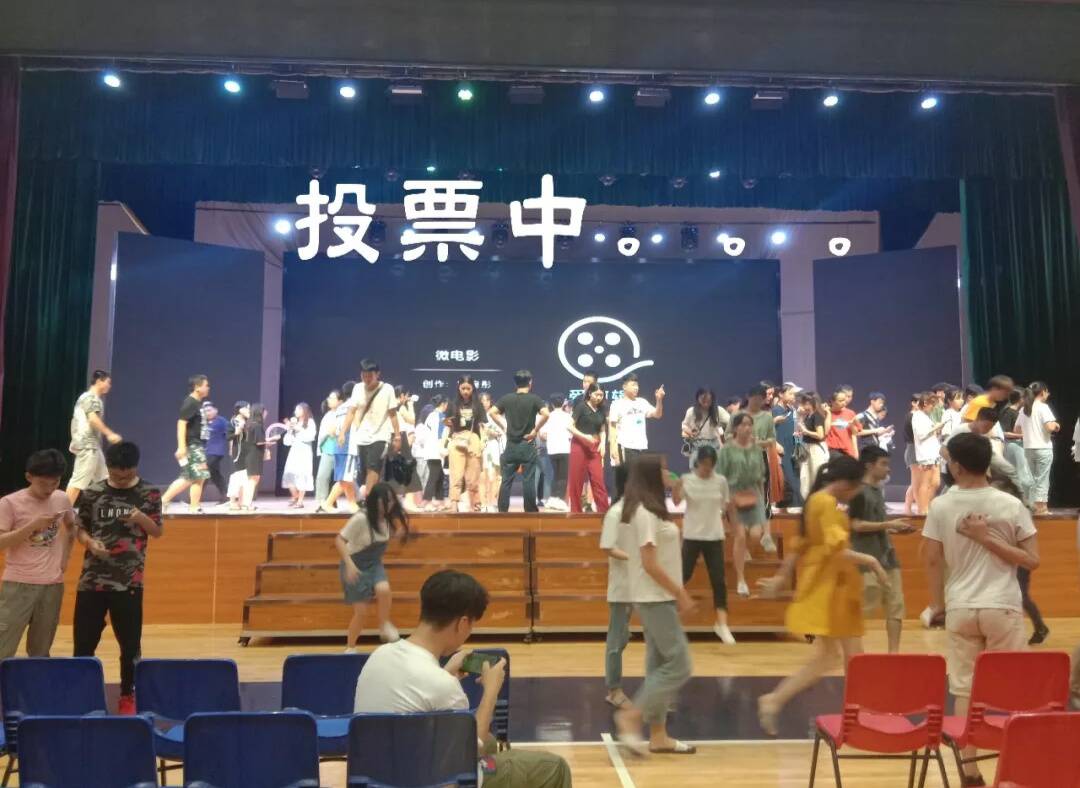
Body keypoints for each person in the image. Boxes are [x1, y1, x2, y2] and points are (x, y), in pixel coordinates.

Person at [353, 569, 573, 788]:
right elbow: (469, 752)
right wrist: (491, 692)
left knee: (491, 743)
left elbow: (415, 700)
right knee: (553, 767)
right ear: (462, 623)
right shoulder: (441, 684)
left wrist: (446, 674)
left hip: (378, 778)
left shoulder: (379, 656)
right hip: (430, 781)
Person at [922, 432, 1039, 787]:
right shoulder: (1010, 505)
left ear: (956, 467)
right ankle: (1014, 768)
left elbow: (930, 558)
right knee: (1014, 689)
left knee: (964, 690)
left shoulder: (941, 506)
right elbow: (1031, 560)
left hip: (960, 606)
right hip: (1002, 606)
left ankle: (969, 771)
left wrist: (937, 604)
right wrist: (990, 539)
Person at [755, 455, 889, 736]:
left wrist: (780, 578)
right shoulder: (827, 504)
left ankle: (779, 701)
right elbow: (837, 550)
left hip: (831, 585)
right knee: (846, 656)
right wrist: (872, 561)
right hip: (833, 587)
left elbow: (800, 546)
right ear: (847, 484)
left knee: (838, 656)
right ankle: (859, 713)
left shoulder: (817, 500)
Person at [612, 454, 696, 756]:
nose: (668, 472)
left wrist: (678, 489)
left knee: (658, 664)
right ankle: (631, 716)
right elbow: (649, 564)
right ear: (650, 474)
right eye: (662, 468)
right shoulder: (645, 513)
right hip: (654, 597)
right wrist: (680, 592)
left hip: (658, 596)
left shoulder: (654, 508)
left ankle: (658, 736)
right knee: (680, 664)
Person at [73, 441, 163, 714]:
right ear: (109, 468)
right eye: (116, 475)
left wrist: (141, 518)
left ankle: (127, 695)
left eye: (127, 475)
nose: (121, 480)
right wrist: (90, 543)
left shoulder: (149, 492)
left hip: (129, 582)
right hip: (92, 580)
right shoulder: (93, 492)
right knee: (84, 643)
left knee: (130, 645)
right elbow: (79, 529)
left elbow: (157, 531)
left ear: (135, 467)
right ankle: (83, 695)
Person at [0, 450, 77, 658]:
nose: (49, 489)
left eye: (55, 482)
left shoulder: (62, 498)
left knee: (41, 652)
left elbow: (71, 527)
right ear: (29, 477)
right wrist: (32, 526)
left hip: (52, 585)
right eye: (43, 483)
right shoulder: (9, 503)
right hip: (18, 585)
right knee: (3, 647)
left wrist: (65, 558)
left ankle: (36, 681)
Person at [849, 446, 915, 653]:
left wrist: (894, 529)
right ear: (869, 465)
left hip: (888, 558)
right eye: (883, 464)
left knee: (895, 606)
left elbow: (874, 524)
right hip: (865, 559)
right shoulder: (858, 492)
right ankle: (855, 655)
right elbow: (856, 525)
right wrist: (888, 525)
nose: (888, 469)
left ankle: (893, 654)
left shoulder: (878, 490)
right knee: (862, 609)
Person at [672, 444, 738, 644]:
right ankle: (670, 617)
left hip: (714, 536)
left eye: (711, 464)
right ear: (698, 462)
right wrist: (676, 486)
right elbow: (676, 502)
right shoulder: (687, 479)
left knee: (718, 580)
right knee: (682, 575)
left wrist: (733, 527)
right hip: (692, 535)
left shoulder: (721, 481)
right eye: (704, 464)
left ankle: (722, 624)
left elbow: (727, 506)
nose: (707, 468)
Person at [336, 482, 408, 649]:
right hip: (354, 564)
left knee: (384, 589)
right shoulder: (361, 518)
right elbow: (339, 540)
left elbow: (381, 537)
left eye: (391, 501)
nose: (390, 505)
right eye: (386, 501)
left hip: (374, 563)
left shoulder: (387, 518)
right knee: (361, 613)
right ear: (375, 500)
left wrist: (398, 535)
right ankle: (350, 647)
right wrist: (350, 566)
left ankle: (384, 624)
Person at [333, 360, 399, 509]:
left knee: (373, 468)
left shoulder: (387, 389)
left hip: (380, 436)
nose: (366, 379)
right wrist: (343, 433)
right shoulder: (357, 388)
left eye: (370, 376)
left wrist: (397, 436)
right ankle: (374, 499)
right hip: (362, 437)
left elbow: (393, 414)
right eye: (364, 376)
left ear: (377, 374)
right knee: (365, 472)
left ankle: (369, 500)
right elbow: (351, 412)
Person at [487, 370, 550, 513]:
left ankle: (503, 511)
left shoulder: (507, 398)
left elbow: (492, 412)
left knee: (506, 480)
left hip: (511, 445)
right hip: (527, 444)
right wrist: (535, 430)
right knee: (528, 480)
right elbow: (546, 414)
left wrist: (504, 426)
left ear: (515, 383)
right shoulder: (534, 399)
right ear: (530, 382)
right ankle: (530, 512)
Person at [719, 412, 767, 598]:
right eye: (743, 424)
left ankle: (745, 551)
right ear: (735, 427)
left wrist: (764, 500)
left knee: (755, 535)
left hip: (754, 495)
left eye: (749, 424)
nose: (747, 428)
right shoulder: (726, 450)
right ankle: (740, 579)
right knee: (739, 536)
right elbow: (720, 477)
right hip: (733, 495)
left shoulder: (757, 450)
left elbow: (761, 477)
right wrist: (724, 502)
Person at [729, 385, 779, 553]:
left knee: (763, 495)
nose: (757, 401)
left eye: (760, 399)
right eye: (754, 398)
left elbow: (772, 440)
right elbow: (728, 436)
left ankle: (767, 535)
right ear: (748, 397)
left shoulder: (767, 417)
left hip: (759, 457)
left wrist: (757, 442)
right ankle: (743, 543)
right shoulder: (737, 415)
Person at [67, 370, 122, 505]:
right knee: (78, 482)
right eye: (108, 382)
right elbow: (93, 419)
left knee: (103, 480)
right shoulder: (91, 398)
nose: (109, 386)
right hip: (88, 445)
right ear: (99, 381)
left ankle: (109, 509)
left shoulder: (89, 398)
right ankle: (60, 514)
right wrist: (109, 433)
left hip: (93, 446)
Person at [608, 373, 665, 501]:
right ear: (624, 386)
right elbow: (612, 427)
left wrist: (659, 400)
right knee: (624, 482)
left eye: (637, 385)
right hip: (625, 446)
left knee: (639, 481)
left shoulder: (642, 402)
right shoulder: (617, 404)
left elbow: (657, 414)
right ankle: (616, 508)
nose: (636, 388)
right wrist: (613, 448)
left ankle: (634, 508)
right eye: (633, 385)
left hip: (641, 447)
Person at [161, 374, 211, 513]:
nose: (208, 388)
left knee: (196, 477)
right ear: (197, 387)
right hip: (192, 445)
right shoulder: (190, 403)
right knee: (192, 477)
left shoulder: (197, 403)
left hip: (197, 445)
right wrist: (181, 446)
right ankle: (164, 501)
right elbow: (181, 424)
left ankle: (193, 506)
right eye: (206, 385)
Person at [599, 496, 632, 709]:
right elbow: (607, 546)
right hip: (622, 588)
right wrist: (635, 558)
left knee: (624, 636)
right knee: (617, 639)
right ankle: (614, 689)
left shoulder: (645, 511)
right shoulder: (615, 514)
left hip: (644, 585)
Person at [1016, 381, 1059, 515]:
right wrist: (1057, 426)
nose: (1048, 394)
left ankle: (1032, 507)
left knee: (1031, 479)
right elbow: (1050, 427)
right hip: (1042, 448)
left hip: (1028, 448)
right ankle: (1041, 508)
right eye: (1047, 392)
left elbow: (1017, 430)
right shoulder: (1043, 407)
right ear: (1043, 392)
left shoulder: (1024, 409)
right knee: (1042, 478)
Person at [568, 383, 610, 514]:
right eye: (597, 394)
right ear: (590, 393)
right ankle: (576, 511)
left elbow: (602, 429)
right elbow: (569, 426)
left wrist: (603, 443)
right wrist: (584, 436)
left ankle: (604, 512)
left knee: (598, 481)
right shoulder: (581, 407)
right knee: (576, 480)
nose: (599, 397)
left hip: (595, 447)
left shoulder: (602, 409)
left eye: (601, 395)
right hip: (579, 445)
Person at [445, 376, 485, 513]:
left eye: (468, 388)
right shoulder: (452, 404)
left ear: (473, 388)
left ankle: (475, 502)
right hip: (457, 439)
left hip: (473, 439)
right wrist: (447, 424)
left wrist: (483, 441)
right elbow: (447, 424)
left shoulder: (478, 404)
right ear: (459, 388)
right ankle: (454, 503)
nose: (466, 391)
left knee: (473, 475)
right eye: (463, 388)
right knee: (456, 474)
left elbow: (482, 425)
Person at [911, 392, 945, 516]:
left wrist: (936, 429)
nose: (933, 408)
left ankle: (927, 506)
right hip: (925, 454)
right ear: (925, 403)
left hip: (933, 453)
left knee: (936, 482)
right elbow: (921, 434)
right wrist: (935, 427)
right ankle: (923, 510)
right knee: (925, 483)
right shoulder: (917, 416)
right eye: (932, 405)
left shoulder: (926, 416)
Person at [771, 383, 802, 509]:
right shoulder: (775, 411)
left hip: (793, 450)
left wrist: (799, 442)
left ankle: (797, 509)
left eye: (794, 394)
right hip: (782, 450)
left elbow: (796, 428)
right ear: (781, 394)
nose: (793, 396)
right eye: (790, 393)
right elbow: (766, 431)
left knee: (797, 482)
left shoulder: (792, 410)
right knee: (788, 484)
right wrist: (775, 445)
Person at [682, 388, 728, 470]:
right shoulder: (691, 411)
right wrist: (689, 432)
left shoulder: (718, 410)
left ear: (712, 400)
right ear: (698, 398)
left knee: (714, 469)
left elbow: (730, 422)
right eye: (703, 400)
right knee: (696, 470)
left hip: (713, 445)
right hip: (697, 445)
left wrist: (724, 435)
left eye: (709, 401)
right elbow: (684, 425)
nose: (706, 403)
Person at [282, 402, 317, 508]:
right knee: (289, 474)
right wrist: (289, 430)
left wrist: (298, 428)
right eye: (295, 410)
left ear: (304, 410)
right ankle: (295, 496)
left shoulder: (310, 422)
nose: (296, 412)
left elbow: (310, 437)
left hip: (304, 451)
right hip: (294, 451)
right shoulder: (294, 423)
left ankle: (300, 501)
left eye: (298, 409)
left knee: (303, 475)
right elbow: (287, 442)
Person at [541, 394, 572, 511]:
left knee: (555, 475)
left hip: (552, 450)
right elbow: (571, 434)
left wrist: (550, 438)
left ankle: (552, 499)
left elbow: (542, 435)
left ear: (551, 404)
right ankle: (560, 500)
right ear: (563, 403)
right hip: (564, 449)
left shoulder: (548, 416)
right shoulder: (568, 416)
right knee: (563, 476)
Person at [240, 403, 273, 511]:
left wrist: (266, 441)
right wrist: (269, 441)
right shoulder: (257, 425)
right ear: (260, 412)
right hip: (255, 455)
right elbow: (259, 442)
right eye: (264, 411)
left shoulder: (249, 424)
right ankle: (247, 504)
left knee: (251, 479)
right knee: (253, 480)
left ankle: (245, 503)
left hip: (250, 454)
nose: (266, 413)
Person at [797, 391, 829, 500]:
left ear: (812, 403)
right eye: (803, 403)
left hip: (816, 448)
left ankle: (820, 501)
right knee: (805, 477)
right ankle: (809, 501)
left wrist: (806, 431)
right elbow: (801, 427)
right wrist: (800, 417)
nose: (804, 406)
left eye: (806, 403)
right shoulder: (808, 415)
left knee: (816, 476)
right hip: (807, 447)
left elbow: (820, 435)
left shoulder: (817, 415)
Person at [314, 390, 342, 512]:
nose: (329, 400)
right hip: (328, 448)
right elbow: (323, 434)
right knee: (322, 477)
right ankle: (322, 502)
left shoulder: (344, 414)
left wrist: (336, 431)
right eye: (329, 398)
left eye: (332, 398)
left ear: (340, 401)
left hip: (341, 449)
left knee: (342, 479)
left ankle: (331, 501)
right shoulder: (328, 415)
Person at [479, 391, 505, 513]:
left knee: (495, 476)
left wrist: (495, 432)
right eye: (482, 400)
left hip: (494, 446)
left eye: (487, 400)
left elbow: (502, 429)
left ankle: (492, 502)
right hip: (481, 448)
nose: (485, 403)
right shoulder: (477, 415)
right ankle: (483, 503)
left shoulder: (495, 414)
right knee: (483, 477)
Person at [201, 401, 230, 504]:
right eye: (205, 411)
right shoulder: (204, 422)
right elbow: (203, 438)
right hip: (207, 452)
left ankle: (195, 498)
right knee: (214, 474)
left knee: (204, 473)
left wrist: (231, 447)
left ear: (215, 410)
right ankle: (226, 496)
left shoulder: (221, 421)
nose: (207, 413)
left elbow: (230, 433)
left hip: (216, 452)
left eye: (209, 410)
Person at [824, 388, 859, 460]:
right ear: (832, 402)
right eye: (840, 401)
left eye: (844, 400)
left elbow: (854, 434)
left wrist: (856, 452)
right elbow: (825, 432)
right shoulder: (825, 413)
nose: (844, 403)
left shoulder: (850, 413)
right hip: (832, 450)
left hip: (848, 450)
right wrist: (828, 413)